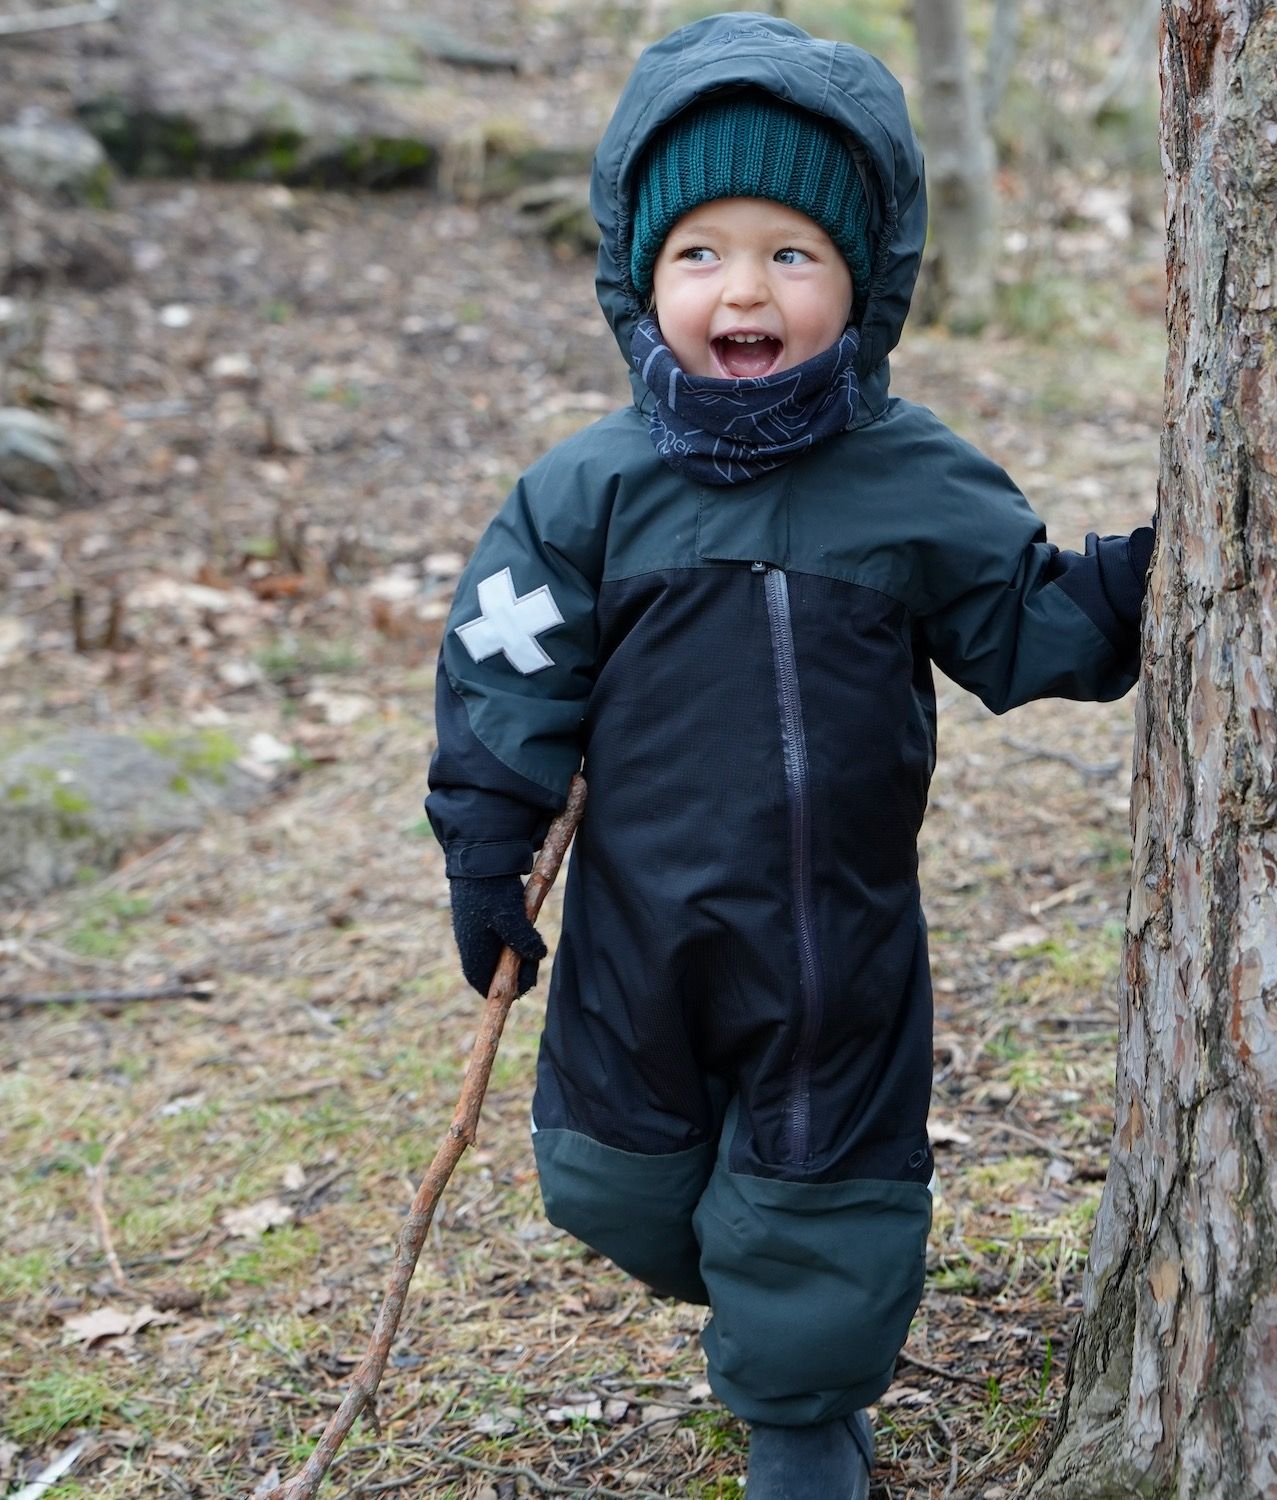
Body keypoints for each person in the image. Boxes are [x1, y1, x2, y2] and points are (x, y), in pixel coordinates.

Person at [426, 14, 1153, 1497]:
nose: (743, 287)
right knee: (608, 1179)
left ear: (865, 282)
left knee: (821, 1193)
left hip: (836, 939)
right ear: (641, 275)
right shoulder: (586, 493)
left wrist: (1144, 578)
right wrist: (486, 849)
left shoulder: (910, 480)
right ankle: (759, 1291)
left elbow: (1031, 630)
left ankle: (802, 1415)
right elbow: (500, 676)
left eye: (791, 253)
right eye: (701, 251)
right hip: (643, 929)